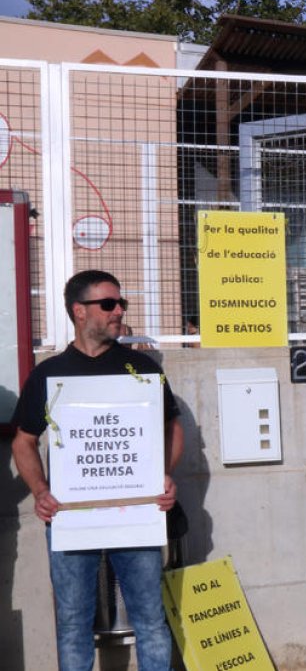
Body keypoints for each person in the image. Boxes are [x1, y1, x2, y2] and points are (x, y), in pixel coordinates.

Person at [11, 270, 184, 671]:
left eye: (121, 303)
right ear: (78, 311)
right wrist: (40, 491)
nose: (119, 311)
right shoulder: (48, 375)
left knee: (150, 620)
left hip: (138, 513)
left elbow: (172, 427)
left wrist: (164, 475)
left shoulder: (140, 368)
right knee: (72, 624)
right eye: (108, 304)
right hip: (71, 517)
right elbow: (24, 440)